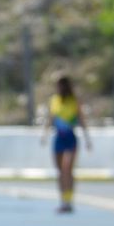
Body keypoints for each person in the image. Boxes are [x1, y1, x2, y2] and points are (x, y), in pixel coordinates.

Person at [39, 75, 92, 214]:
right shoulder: (54, 100)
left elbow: (81, 120)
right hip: (58, 139)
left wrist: (87, 139)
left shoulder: (74, 101)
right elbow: (50, 118)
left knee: (67, 168)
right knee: (60, 172)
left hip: (70, 138)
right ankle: (63, 200)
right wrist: (44, 135)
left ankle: (69, 200)